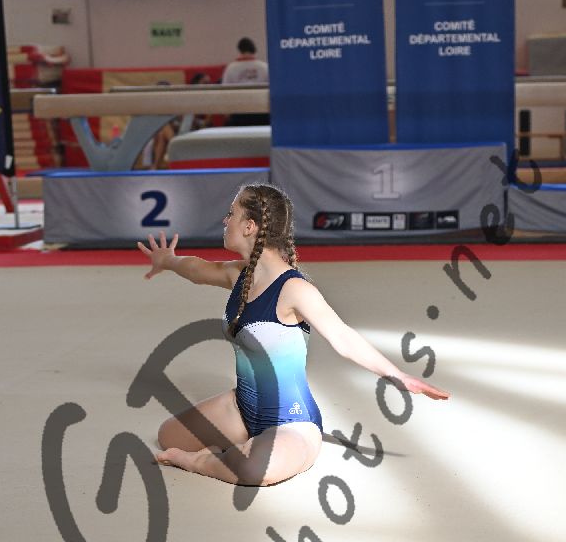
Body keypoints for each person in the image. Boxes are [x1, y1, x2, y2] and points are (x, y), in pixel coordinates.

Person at [136, 182, 449, 487]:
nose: (225, 220)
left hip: (292, 422)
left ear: (249, 226)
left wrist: (397, 375)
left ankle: (200, 461)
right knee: (168, 435)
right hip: (241, 409)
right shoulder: (238, 275)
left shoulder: (294, 289)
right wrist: (168, 260)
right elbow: (196, 270)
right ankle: (243, 446)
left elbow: (343, 337)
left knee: (256, 470)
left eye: (231, 214)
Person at [221, 38, 270, 126]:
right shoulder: (264, 67)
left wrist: (226, 112)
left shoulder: (231, 68)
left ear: (240, 49)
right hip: (260, 110)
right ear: (253, 49)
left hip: (239, 110)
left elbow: (224, 91)